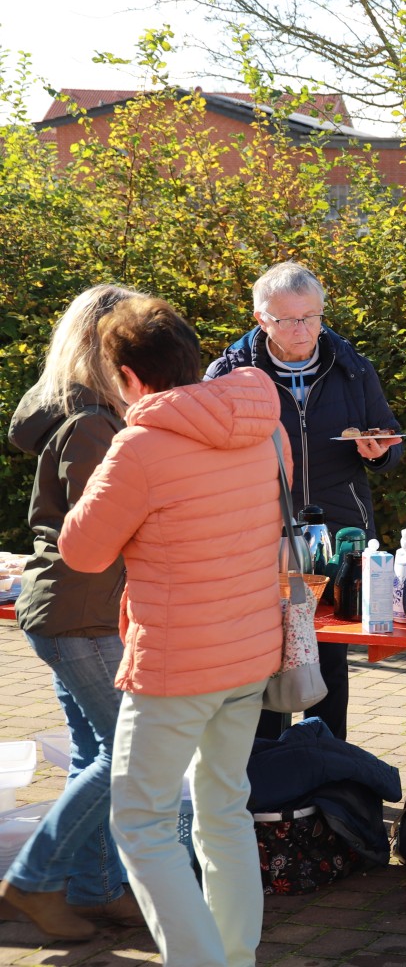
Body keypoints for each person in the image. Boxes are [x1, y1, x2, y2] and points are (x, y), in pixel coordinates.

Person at [57, 295, 287, 967]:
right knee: (225, 810)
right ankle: (234, 956)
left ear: (128, 377)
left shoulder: (141, 445)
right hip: (249, 653)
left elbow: (83, 551)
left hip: (176, 663)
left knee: (142, 823)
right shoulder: (260, 422)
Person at [0, 285, 145, 941]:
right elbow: (103, 529)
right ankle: (32, 882)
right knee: (125, 754)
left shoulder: (92, 416)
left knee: (96, 750)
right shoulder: (92, 425)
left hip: (73, 612)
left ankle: (95, 887)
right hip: (77, 615)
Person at [204, 261, 401, 741]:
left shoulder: (353, 368)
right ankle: (270, 780)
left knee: (329, 657)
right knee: (265, 660)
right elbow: (206, 458)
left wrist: (377, 453)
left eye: (312, 317)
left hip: (340, 536)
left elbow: (388, 446)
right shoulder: (229, 374)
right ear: (260, 319)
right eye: (289, 320)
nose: (304, 330)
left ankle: (328, 775)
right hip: (261, 534)